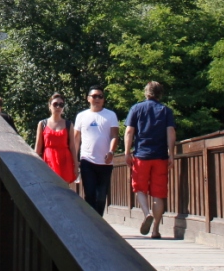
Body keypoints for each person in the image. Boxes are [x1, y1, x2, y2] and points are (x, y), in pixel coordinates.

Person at [124, 81, 176, 238]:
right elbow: (171, 132)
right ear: (160, 94)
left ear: (146, 93)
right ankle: (155, 230)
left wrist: (127, 152)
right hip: (160, 156)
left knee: (140, 188)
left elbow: (129, 132)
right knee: (158, 193)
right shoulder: (166, 111)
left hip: (142, 155)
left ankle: (147, 213)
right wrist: (171, 153)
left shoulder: (136, 108)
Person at [73, 85, 119, 215]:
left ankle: (98, 223)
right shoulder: (81, 116)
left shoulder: (110, 115)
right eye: (94, 96)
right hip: (87, 160)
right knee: (90, 194)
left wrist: (111, 151)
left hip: (105, 162)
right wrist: (75, 160)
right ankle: (92, 225)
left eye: (100, 96)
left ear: (103, 99)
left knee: (101, 197)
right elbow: (76, 139)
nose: (97, 99)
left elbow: (115, 136)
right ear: (88, 98)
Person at [34, 93, 77, 183]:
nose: (58, 107)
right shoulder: (42, 124)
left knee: (64, 190)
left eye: (61, 105)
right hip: (49, 160)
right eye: (55, 104)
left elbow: (72, 147)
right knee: (50, 187)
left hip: (65, 160)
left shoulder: (68, 124)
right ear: (49, 106)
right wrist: (34, 165)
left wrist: (76, 165)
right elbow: (38, 147)